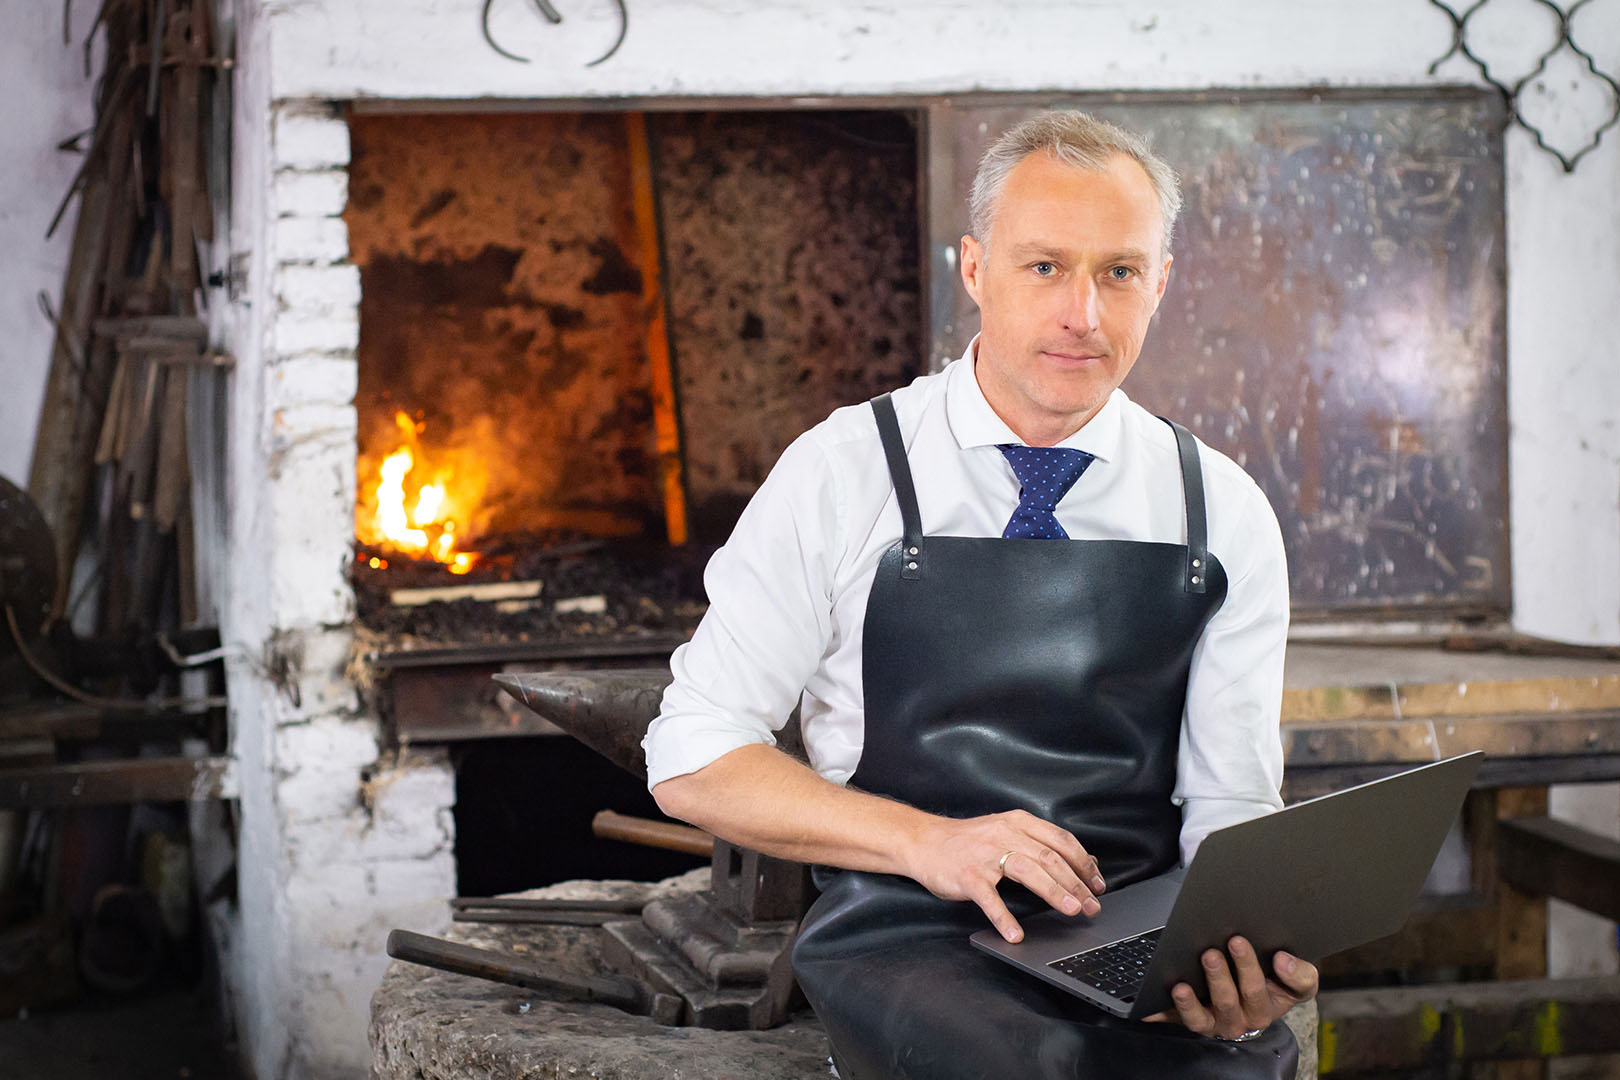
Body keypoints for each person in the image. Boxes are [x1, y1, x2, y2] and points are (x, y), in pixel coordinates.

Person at [643, 109, 1319, 1078]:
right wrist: (928, 843)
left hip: (1134, 934)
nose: (1083, 314)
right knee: (1032, 1064)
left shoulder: (1222, 508)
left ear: (1161, 284)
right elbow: (693, 752)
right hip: (907, 937)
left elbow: (1232, 803)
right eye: (1045, 266)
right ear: (974, 269)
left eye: (1119, 272)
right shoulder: (845, 471)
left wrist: (1235, 961)